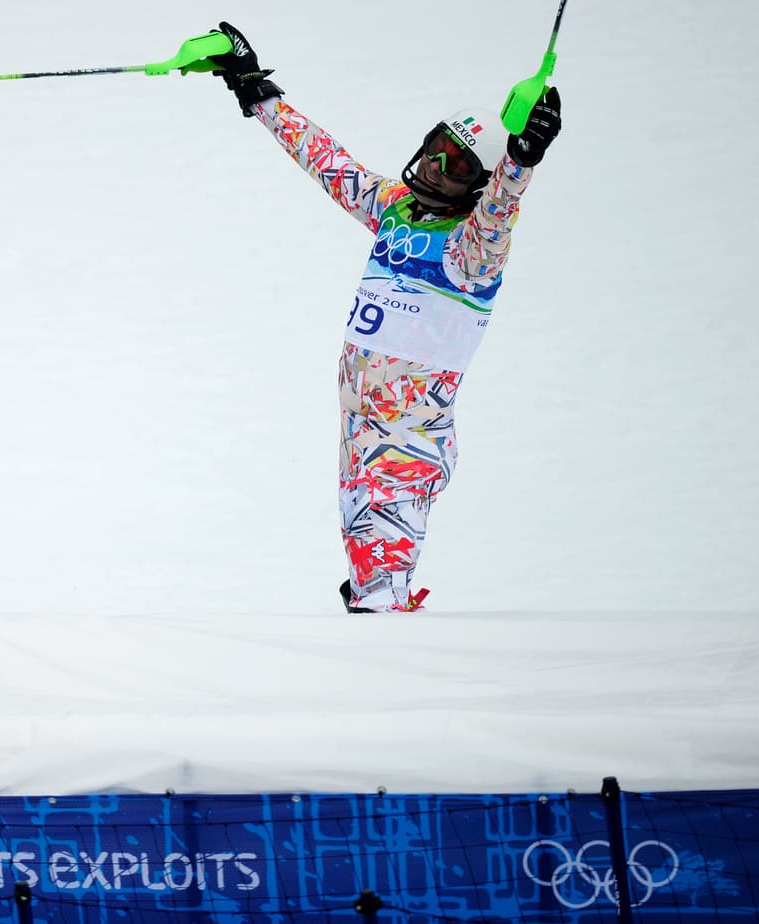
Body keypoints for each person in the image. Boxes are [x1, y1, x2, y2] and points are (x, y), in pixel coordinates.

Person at [207, 22, 562, 613]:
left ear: (475, 187)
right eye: (434, 148)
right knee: (357, 538)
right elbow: (327, 161)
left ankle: (391, 649)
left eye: (454, 166)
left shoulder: (472, 250)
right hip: (358, 416)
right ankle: (374, 628)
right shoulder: (396, 210)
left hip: (407, 433)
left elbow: (501, 210)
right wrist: (257, 91)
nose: (432, 166)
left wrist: (521, 163)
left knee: (382, 569)